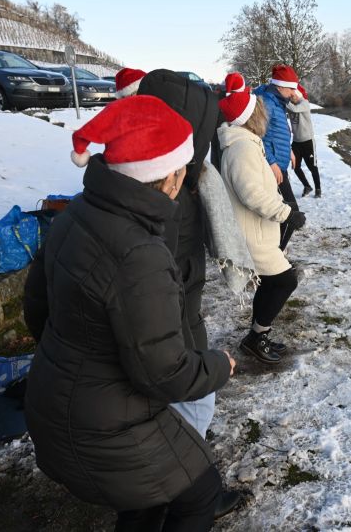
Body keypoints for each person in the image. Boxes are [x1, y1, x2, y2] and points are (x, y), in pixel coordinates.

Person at [23, 96, 239, 531]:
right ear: (169, 176)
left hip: (51, 405)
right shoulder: (140, 253)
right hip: (103, 429)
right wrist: (220, 365)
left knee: (145, 498)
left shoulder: (76, 214)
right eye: (183, 167)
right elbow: (164, 375)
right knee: (199, 494)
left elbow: (36, 309)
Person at [136, 68, 226, 437]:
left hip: (177, 323)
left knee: (185, 353)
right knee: (190, 341)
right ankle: (191, 430)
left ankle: (191, 431)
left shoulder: (165, 189)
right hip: (181, 318)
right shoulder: (182, 184)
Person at [217, 90, 306, 365]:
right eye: (261, 110)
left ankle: (257, 335)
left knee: (272, 281)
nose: (265, 114)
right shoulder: (242, 149)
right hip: (252, 234)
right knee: (284, 280)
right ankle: (256, 338)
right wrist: (286, 213)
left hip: (258, 230)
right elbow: (251, 194)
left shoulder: (248, 143)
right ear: (252, 116)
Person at [253, 64, 301, 249]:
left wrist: (288, 150)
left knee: (283, 213)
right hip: (273, 169)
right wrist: (272, 163)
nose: (293, 93)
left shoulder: (277, 101)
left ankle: (274, 253)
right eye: (291, 88)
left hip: (279, 166)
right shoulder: (267, 102)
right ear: (280, 86)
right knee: (291, 213)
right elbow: (259, 136)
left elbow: (276, 132)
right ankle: (275, 257)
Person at [287, 84, 321, 198]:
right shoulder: (291, 104)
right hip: (296, 142)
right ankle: (307, 186)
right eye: (290, 96)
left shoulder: (304, 103)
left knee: (312, 167)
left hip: (307, 141)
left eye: (293, 95)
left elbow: (295, 109)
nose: (291, 97)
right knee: (295, 166)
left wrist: (284, 100)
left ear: (298, 94)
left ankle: (318, 189)